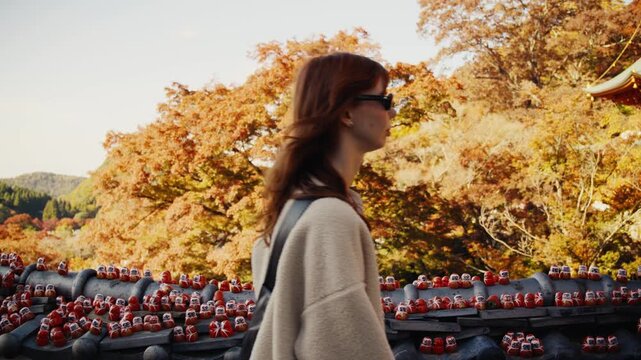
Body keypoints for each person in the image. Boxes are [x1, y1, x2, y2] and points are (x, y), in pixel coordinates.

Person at [250, 52, 397, 359]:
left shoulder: (293, 209)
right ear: (346, 113)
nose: (392, 113)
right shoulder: (330, 218)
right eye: (384, 99)